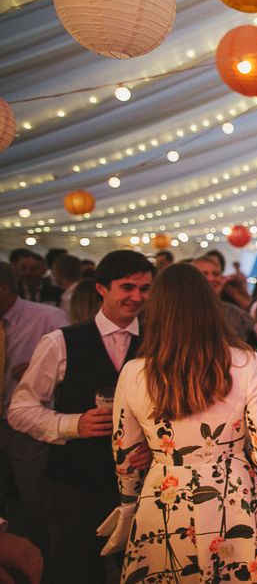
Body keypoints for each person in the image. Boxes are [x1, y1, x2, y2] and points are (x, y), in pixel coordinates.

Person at [108, 263, 257, 583]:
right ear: (210, 307)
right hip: (234, 494)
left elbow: (125, 461)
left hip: (165, 497)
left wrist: (130, 501)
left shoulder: (134, 372)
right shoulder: (245, 361)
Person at [8, 250, 154, 584]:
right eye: (128, 287)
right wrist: (73, 424)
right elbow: (20, 410)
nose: (137, 297)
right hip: (75, 482)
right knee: (76, 569)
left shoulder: (156, 344)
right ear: (102, 288)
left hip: (143, 484)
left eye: (144, 289)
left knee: (141, 570)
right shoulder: (61, 341)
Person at [0, 262, 68, 561]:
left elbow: (76, 363)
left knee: (34, 497)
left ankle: (44, 559)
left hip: (25, 423)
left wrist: (39, 367)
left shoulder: (48, 317)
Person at [192, 255, 254, 343]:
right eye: (204, 274)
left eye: (216, 274)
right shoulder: (182, 310)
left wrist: (239, 293)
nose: (211, 278)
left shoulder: (233, 312)